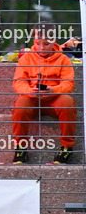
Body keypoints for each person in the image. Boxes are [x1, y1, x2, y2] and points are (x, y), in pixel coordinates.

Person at [11, 24, 76, 164]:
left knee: (67, 102)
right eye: (37, 43)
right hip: (32, 98)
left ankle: (67, 147)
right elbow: (19, 82)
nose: (41, 47)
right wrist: (29, 91)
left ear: (54, 41)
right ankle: (20, 147)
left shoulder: (63, 59)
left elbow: (68, 83)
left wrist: (54, 90)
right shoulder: (26, 58)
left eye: (46, 44)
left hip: (54, 98)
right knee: (20, 104)